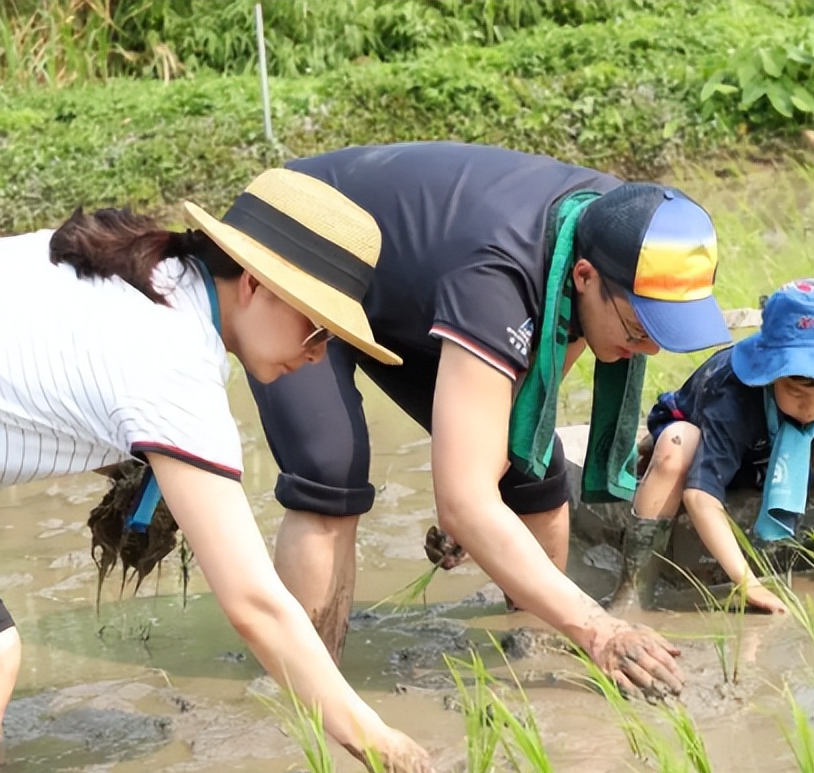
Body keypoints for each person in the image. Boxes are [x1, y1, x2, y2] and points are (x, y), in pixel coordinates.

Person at [0, 169, 447, 773]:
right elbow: (256, 605)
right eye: (318, 329)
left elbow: (27, 377)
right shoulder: (172, 362)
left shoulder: (147, 272)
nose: (318, 354)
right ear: (254, 284)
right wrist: (373, 737)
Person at [245, 141, 733, 699]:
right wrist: (598, 626)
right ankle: (308, 693)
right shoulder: (499, 276)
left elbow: (529, 400)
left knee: (533, 470)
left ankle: (535, 658)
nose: (645, 348)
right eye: (639, 328)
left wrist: (476, 500)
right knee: (330, 471)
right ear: (584, 277)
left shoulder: (617, 223)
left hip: (413, 278)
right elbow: (465, 498)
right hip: (301, 241)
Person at [609, 278, 814, 613]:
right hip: (708, 442)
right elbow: (699, 496)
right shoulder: (730, 396)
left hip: (770, 449)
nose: (810, 407)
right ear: (769, 373)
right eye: (796, 393)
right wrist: (747, 583)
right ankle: (634, 591)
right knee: (676, 445)